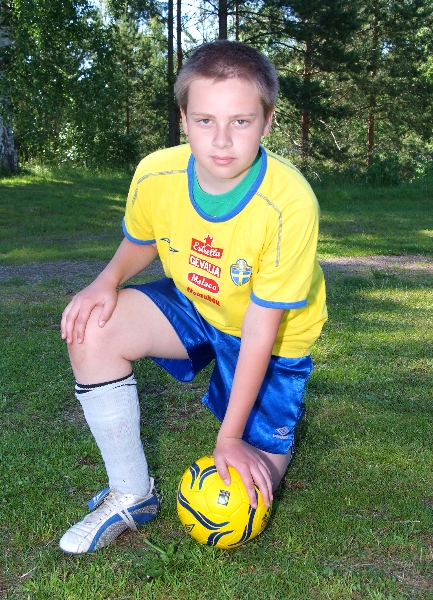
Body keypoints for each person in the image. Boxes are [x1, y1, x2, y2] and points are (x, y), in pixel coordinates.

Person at [59, 40, 327, 555]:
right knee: (91, 327)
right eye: (205, 121)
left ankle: (270, 437)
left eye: (241, 122)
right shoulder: (156, 172)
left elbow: (261, 326)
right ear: (183, 119)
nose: (221, 140)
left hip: (272, 338)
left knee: (246, 488)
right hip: (197, 303)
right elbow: (143, 239)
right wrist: (106, 280)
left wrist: (230, 438)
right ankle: (131, 492)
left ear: (267, 122)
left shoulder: (290, 202)